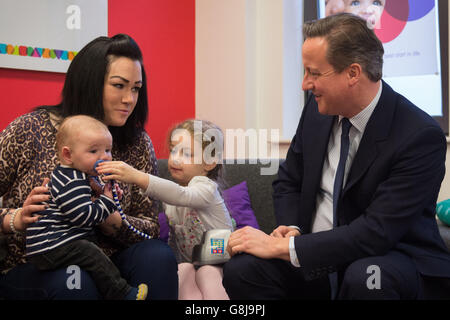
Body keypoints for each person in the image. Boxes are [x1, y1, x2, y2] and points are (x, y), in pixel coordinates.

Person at [223, 13, 450, 300]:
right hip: (316, 255)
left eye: (314, 73)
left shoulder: (419, 135)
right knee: (243, 269)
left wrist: (286, 248)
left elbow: (377, 232)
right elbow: (289, 181)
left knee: (367, 277)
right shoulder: (317, 114)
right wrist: (292, 230)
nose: (305, 84)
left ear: (353, 73)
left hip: (390, 257)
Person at [0, 34, 178, 300]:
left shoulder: (137, 143)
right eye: (119, 85)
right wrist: (14, 219)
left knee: (159, 256)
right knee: (75, 279)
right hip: (40, 262)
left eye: (136, 88)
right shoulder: (29, 129)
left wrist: (116, 222)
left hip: (109, 261)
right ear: (90, 83)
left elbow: (152, 226)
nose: (130, 99)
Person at [97, 119, 232, 300]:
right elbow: (175, 238)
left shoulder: (207, 189)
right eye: (173, 150)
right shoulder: (171, 198)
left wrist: (137, 176)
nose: (175, 158)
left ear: (209, 163)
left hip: (220, 262)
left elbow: (183, 195)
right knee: (182, 271)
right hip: (193, 262)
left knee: (207, 272)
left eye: (187, 154)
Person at [26, 115, 147, 300]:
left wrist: (110, 198)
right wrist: (106, 201)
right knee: (89, 252)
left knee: (90, 245)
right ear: (68, 155)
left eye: (108, 150)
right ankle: (122, 293)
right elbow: (84, 217)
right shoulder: (71, 180)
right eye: (94, 151)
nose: (104, 157)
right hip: (49, 247)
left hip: (58, 243)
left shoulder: (79, 175)